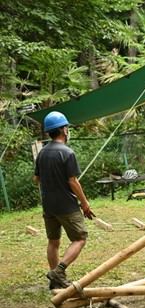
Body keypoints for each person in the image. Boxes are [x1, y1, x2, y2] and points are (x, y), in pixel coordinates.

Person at [34, 111, 95, 290]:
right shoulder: (67, 152)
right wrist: (84, 203)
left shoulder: (42, 153)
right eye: (66, 127)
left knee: (53, 241)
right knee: (80, 238)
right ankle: (59, 271)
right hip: (67, 206)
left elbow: (36, 179)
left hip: (48, 205)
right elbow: (72, 181)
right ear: (63, 130)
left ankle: (55, 281)